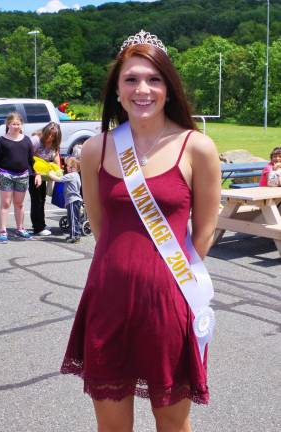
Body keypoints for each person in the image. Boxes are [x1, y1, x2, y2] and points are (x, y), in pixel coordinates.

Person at [60, 30, 221, 432]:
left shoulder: (196, 147)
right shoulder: (96, 149)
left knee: (171, 423)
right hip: (108, 298)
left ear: (169, 86)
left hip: (168, 302)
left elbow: (203, 232)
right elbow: (102, 229)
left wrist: (166, 276)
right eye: (131, 79)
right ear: (117, 89)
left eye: (153, 79)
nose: (142, 89)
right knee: (111, 426)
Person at [0, 112, 39, 243]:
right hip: (6, 174)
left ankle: (20, 228)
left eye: (18, 124)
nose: (16, 126)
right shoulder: (1, 141)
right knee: (5, 203)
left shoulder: (26, 140)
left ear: (21, 125)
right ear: (8, 125)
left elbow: (31, 160)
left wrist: (37, 174)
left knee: (19, 204)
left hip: (22, 175)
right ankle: (2, 230)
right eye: (13, 124)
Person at [29, 122, 61, 236]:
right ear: (45, 132)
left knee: (42, 199)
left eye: (53, 136)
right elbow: (28, 156)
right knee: (36, 199)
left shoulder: (54, 143)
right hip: (34, 174)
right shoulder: (36, 140)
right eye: (49, 135)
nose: (50, 138)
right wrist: (36, 173)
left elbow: (56, 155)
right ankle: (38, 227)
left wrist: (59, 171)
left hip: (44, 174)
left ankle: (41, 223)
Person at [49, 157, 83, 243]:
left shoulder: (71, 175)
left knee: (72, 218)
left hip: (73, 200)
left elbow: (59, 179)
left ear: (73, 168)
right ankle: (75, 235)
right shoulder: (76, 175)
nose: (66, 167)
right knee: (74, 218)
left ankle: (75, 236)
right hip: (74, 200)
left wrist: (51, 174)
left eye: (68, 166)